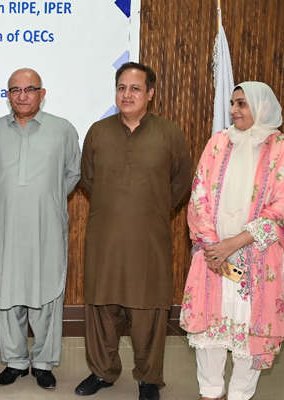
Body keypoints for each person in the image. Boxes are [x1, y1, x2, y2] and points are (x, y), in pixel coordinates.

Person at [76, 62, 192, 400]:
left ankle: (148, 378)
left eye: (135, 88)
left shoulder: (170, 134)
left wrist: (151, 209)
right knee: (101, 307)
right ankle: (103, 371)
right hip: (105, 237)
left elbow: (180, 183)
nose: (127, 94)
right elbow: (89, 180)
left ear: (150, 94)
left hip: (149, 240)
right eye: (122, 87)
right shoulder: (98, 132)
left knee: (148, 310)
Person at [180, 82, 284, 400]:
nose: (234, 110)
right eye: (233, 103)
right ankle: (210, 391)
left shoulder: (283, 148)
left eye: (242, 104)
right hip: (213, 255)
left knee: (250, 327)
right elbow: (200, 193)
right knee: (212, 325)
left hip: (259, 258)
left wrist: (234, 244)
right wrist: (211, 245)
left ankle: (239, 395)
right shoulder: (219, 142)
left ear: (262, 106)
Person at [0, 68, 81, 389]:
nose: (22, 96)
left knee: (47, 289)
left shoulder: (62, 129)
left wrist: (43, 200)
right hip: (4, 226)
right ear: (7, 95)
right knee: (6, 290)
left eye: (30, 89)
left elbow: (72, 173)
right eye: (15, 90)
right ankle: (15, 361)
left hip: (45, 225)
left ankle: (43, 362)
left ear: (42, 93)